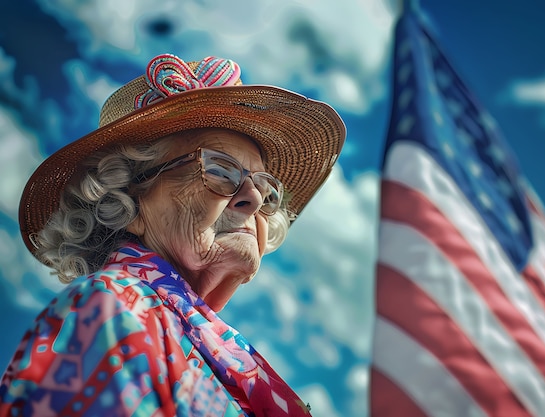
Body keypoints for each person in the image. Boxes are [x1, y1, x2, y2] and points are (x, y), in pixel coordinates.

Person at [0, 53, 345, 416]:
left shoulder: (205, 345)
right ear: (129, 201)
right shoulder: (114, 309)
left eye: (265, 187)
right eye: (221, 171)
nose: (254, 197)